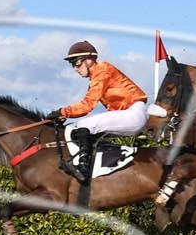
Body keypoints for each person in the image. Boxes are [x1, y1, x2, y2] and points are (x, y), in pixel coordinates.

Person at [58, 40, 148, 181]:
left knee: (84, 125)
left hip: (132, 113)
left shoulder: (102, 70)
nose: (75, 68)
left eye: (77, 63)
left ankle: (84, 168)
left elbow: (87, 105)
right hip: (128, 113)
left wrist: (62, 112)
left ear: (89, 60)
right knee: (80, 129)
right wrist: (63, 115)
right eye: (72, 64)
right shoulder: (97, 75)